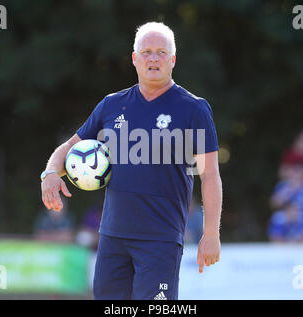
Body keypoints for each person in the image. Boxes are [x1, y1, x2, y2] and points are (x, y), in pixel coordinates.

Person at [40, 22, 222, 300]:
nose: (153, 58)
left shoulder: (193, 108)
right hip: (113, 238)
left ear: (172, 60)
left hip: (160, 240)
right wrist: (51, 173)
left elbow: (209, 176)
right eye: (146, 51)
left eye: (162, 52)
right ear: (134, 59)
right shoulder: (111, 105)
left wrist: (210, 234)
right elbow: (68, 148)